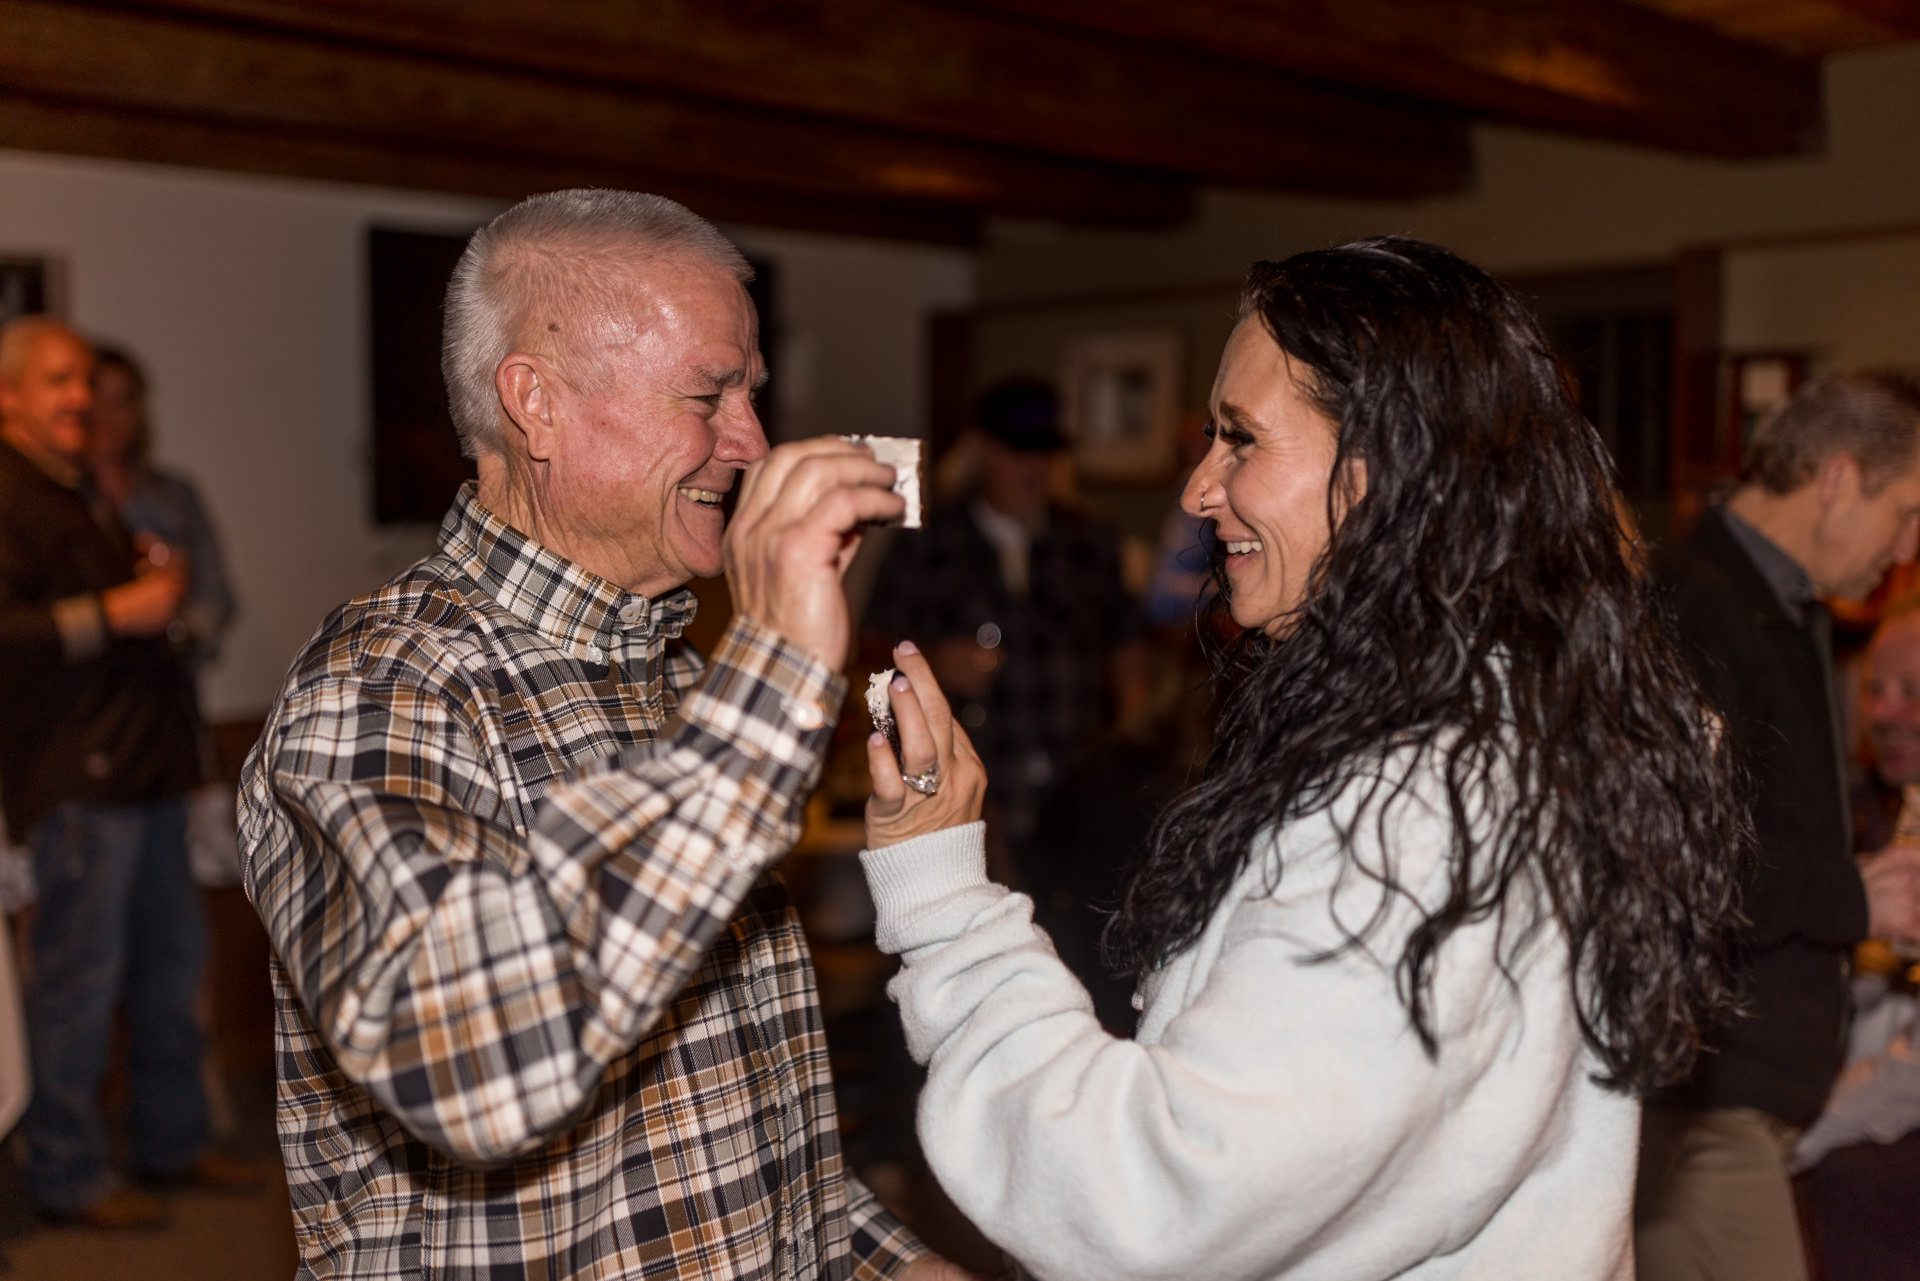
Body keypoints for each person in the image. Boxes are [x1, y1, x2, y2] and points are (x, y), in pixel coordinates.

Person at [854, 237, 1747, 1280]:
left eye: (1241, 441)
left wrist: (945, 897)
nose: (1197, 490)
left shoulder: (1428, 805)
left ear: (1381, 473)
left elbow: (1148, 1202)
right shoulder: (1497, 728)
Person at [238, 190, 966, 1279]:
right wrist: (767, 687)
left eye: (751, 394)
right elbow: (468, 1065)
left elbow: (733, 1149)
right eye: (707, 394)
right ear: (535, 405)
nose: (752, 439)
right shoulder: (381, 684)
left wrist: (898, 1265)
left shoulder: (679, 683)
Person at [1636, 371, 1920, 1281]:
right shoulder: (1696, 601)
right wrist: (1850, 895)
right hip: (1702, 1100)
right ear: (1837, 478)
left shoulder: (1780, 603)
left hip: (1736, 1099)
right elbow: (1664, 855)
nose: (1910, 547)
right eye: (1906, 512)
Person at [0, 316, 211, 1229]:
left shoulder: (78, 487)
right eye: (56, 381)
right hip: (78, 781)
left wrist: (153, 600)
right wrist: (114, 609)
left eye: (84, 379)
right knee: (77, 988)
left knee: (171, 972)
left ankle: (171, 1148)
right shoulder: (6, 491)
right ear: (7, 395)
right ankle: (68, 1175)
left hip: (146, 767)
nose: (80, 398)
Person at [863, 379, 1135, 869]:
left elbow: (1128, 648)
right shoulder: (926, 544)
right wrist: (935, 662)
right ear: (984, 450)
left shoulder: (1091, 541)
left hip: (1078, 786)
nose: (1034, 467)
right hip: (973, 783)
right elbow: (869, 652)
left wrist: (1127, 752)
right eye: (1018, 451)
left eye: (1045, 452)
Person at [1793, 595, 1920, 1281]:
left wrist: (1804, 1128)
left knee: (1855, 1182)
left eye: (1913, 693)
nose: (1884, 713)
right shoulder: (1877, 816)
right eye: (1876, 689)